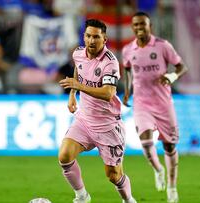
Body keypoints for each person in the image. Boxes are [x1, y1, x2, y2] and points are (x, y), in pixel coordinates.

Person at [58, 19, 137, 203]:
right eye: (88, 36)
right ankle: (82, 196)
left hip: (107, 125)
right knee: (64, 156)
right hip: (84, 120)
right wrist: (72, 94)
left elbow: (108, 93)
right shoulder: (78, 54)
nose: (91, 41)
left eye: (96, 37)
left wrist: (78, 85)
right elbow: (79, 70)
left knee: (113, 175)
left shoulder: (110, 63)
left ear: (104, 39)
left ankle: (128, 200)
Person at [121, 12, 188, 203]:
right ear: (132, 27)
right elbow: (126, 69)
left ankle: (172, 186)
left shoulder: (162, 46)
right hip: (141, 103)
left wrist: (171, 77)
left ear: (150, 26)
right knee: (146, 140)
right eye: (136, 24)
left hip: (163, 103)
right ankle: (158, 169)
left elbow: (182, 67)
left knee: (169, 145)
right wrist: (127, 91)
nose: (139, 27)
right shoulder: (128, 49)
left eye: (143, 24)